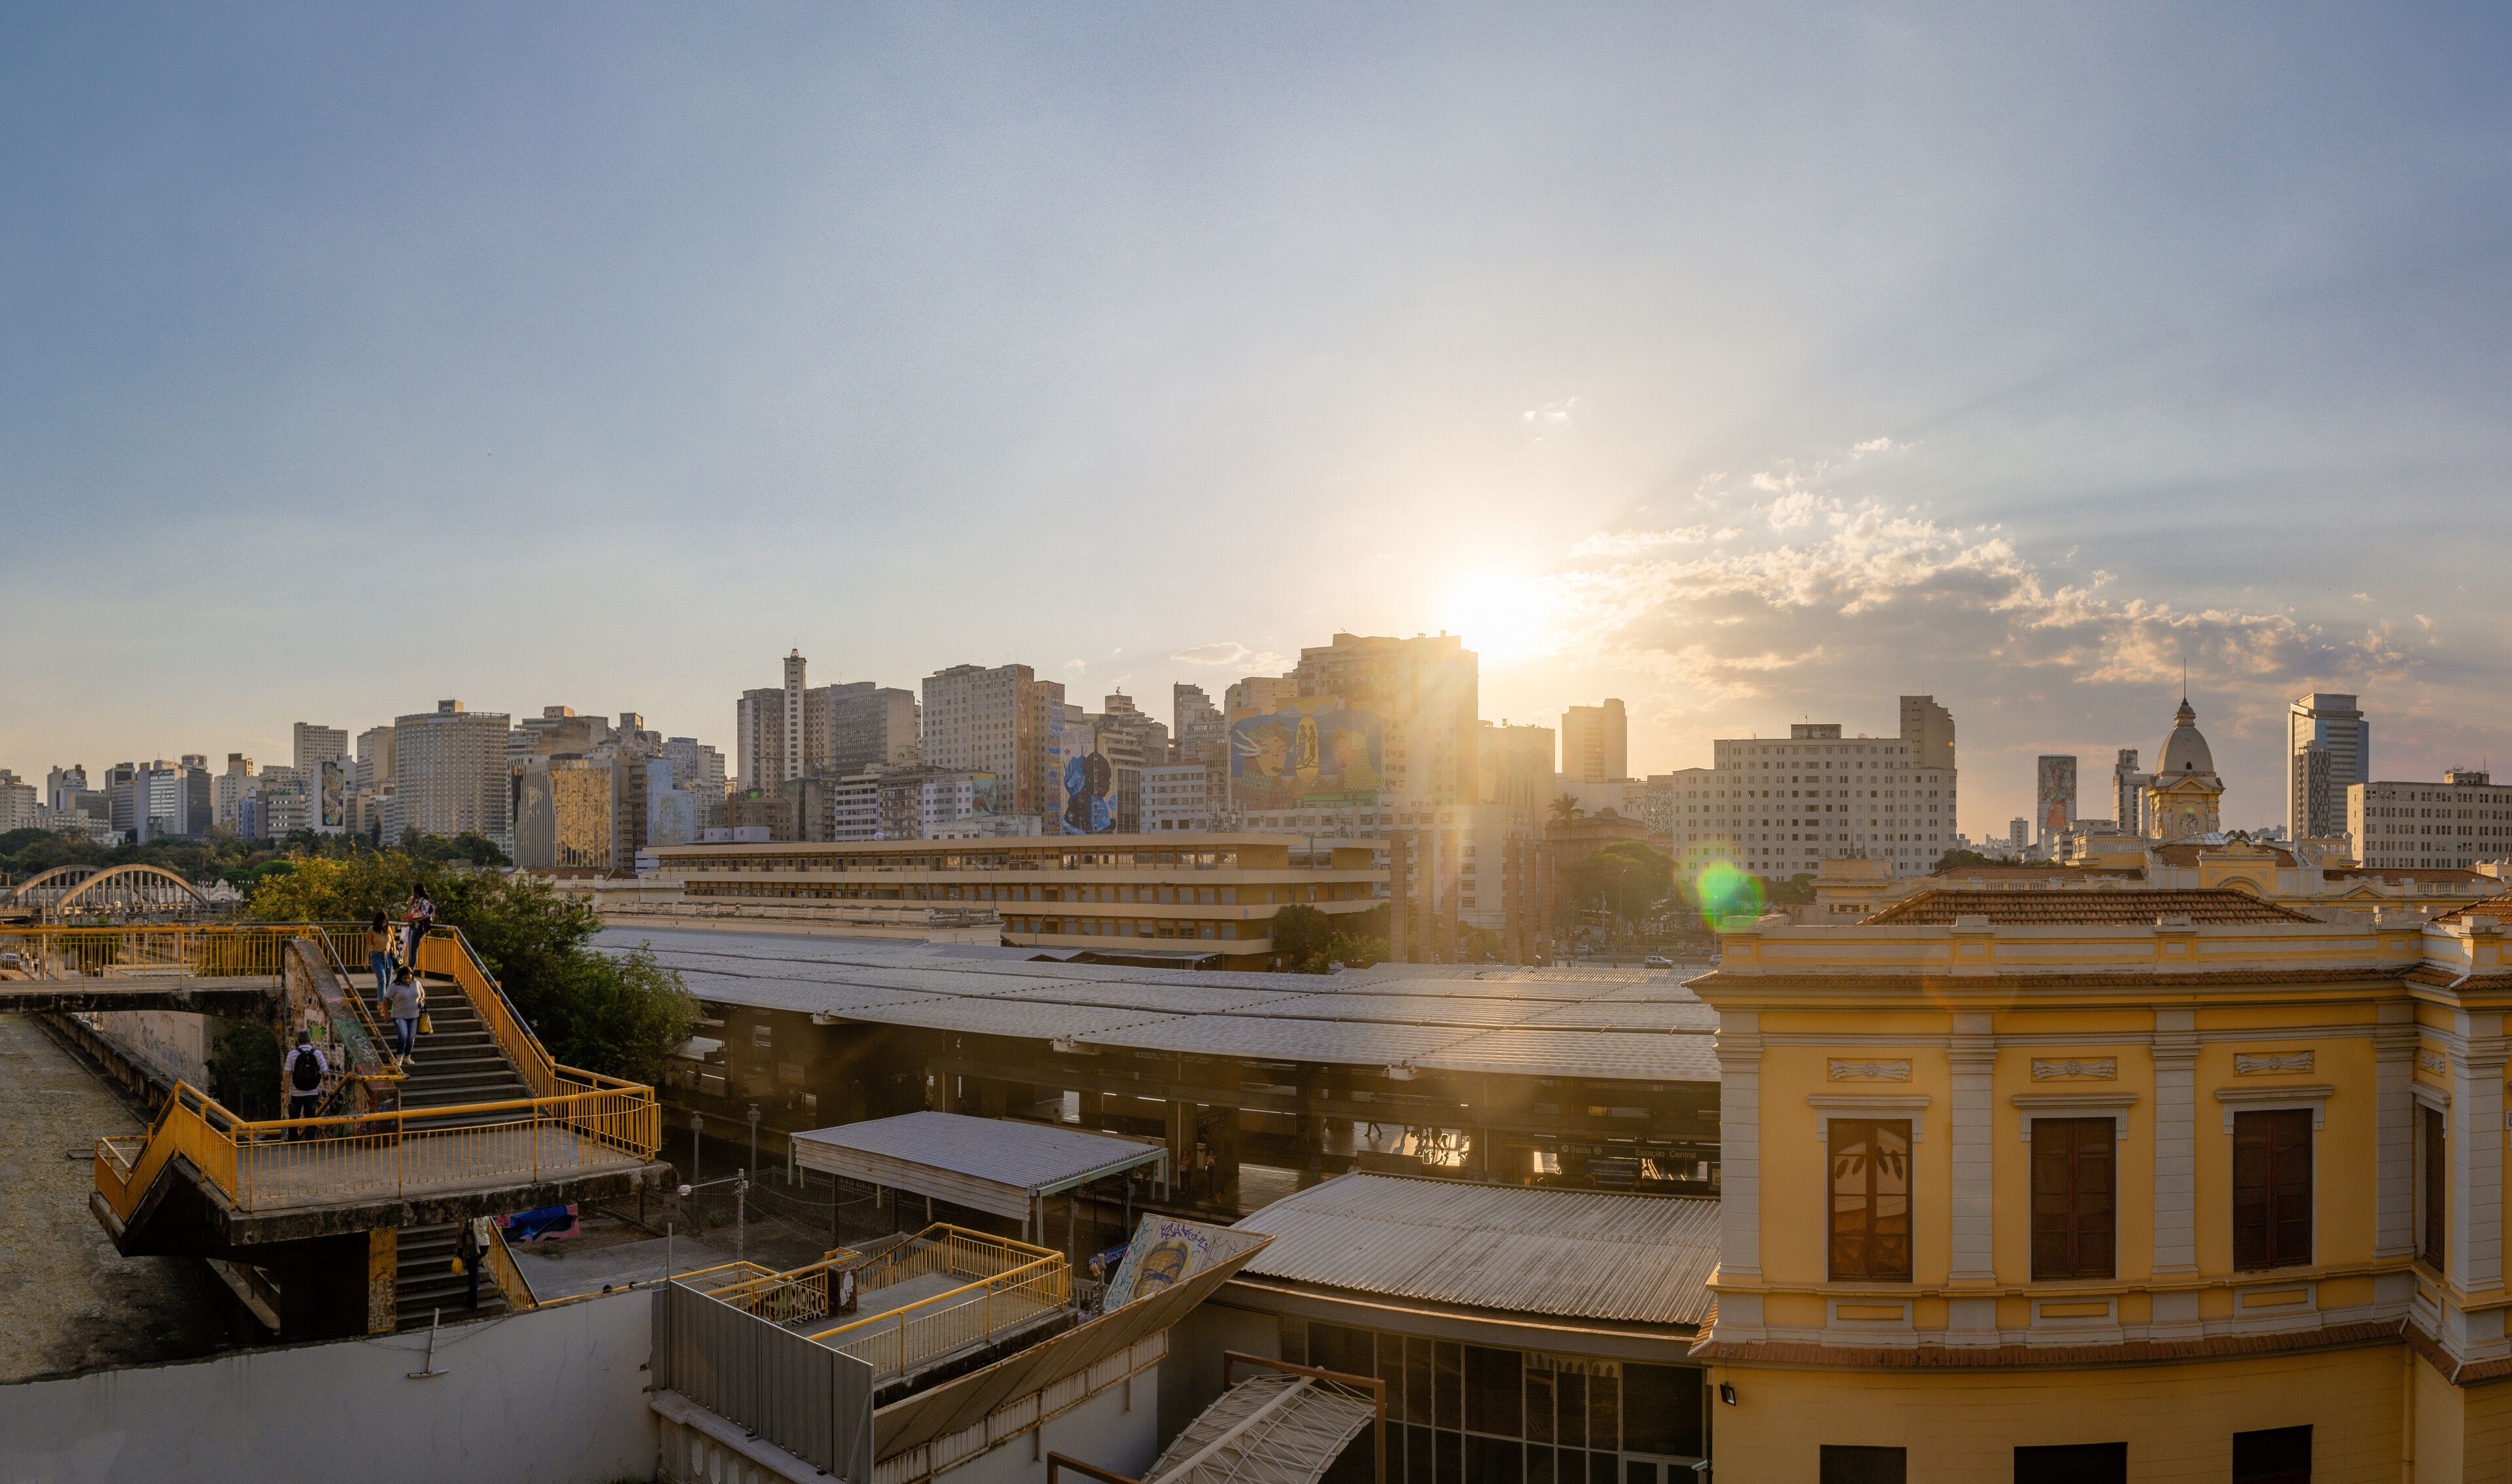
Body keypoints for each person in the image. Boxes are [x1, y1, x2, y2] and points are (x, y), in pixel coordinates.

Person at [282, 1030, 327, 1138]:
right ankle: (310, 1144)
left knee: (293, 1120)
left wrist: (286, 1093)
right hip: (312, 1093)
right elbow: (325, 1074)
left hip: (295, 1094)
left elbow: (287, 1075)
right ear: (309, 1040)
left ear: (298, 1041)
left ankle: (293, 1145)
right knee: (310, 1120)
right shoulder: (318, 1053)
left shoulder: (292, 1054)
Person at [383, 963, 422, 1063]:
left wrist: (421, 1001)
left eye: (409, 978)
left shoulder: (416, 983)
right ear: (400, 977)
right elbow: (386, 999)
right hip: (399, 1015)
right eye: (405, 978)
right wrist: (386, 1013)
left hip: (414, 1015)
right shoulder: (395, 986)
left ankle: (407, 1056)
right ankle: (400, 1055)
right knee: (403, 1035)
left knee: (411, 1037)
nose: (407, 980)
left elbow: (422, 994)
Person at [454, 1216, 488, 1309]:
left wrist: (457, 1248)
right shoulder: (485, 1214)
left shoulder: (466, 1216)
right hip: (485, 1245)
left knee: (472, 1273)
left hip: (472, 1247)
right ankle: (477, 1287)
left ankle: (473, 1302)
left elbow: (460, 1233)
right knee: (474, 1265)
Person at [366, 911, 395, 997]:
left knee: (388, 982)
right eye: (382, 922)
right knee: (382, 980)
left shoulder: (388, 928)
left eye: (385, 922)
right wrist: (366, 959)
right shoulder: (371, 930)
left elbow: (393, 941)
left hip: (388, 956)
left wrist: (395, 952)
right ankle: (382, 1003)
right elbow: (368, 946)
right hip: (376, 956)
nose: (383, 924)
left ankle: (384, 1001)